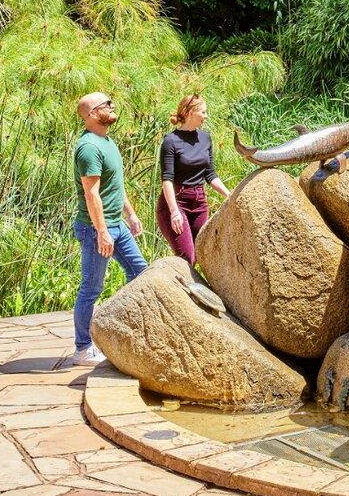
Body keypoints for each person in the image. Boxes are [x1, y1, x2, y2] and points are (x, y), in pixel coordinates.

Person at [72, 92, 148, 366]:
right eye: (106, 104)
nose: (112, 106)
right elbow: (91, 194)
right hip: (97, 229)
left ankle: (128, 329)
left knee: (141, 273)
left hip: (117, 224)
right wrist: (102, 231)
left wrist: (131, 214)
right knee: (91, 288)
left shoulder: (107, 141)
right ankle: (82, 349)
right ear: (92, 114)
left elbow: (114, 185)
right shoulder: (89, 147)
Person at [156, 94, 231, 266]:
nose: (206, 116)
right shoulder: (171, 141)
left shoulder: (205, 138)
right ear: (190, 113)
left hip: (199, 203)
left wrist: (229, 194)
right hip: (176, 202)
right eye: (203, 112)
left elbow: (210, 174)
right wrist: (174, 211)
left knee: (200, 255)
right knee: (186, 258)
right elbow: (167, 179)